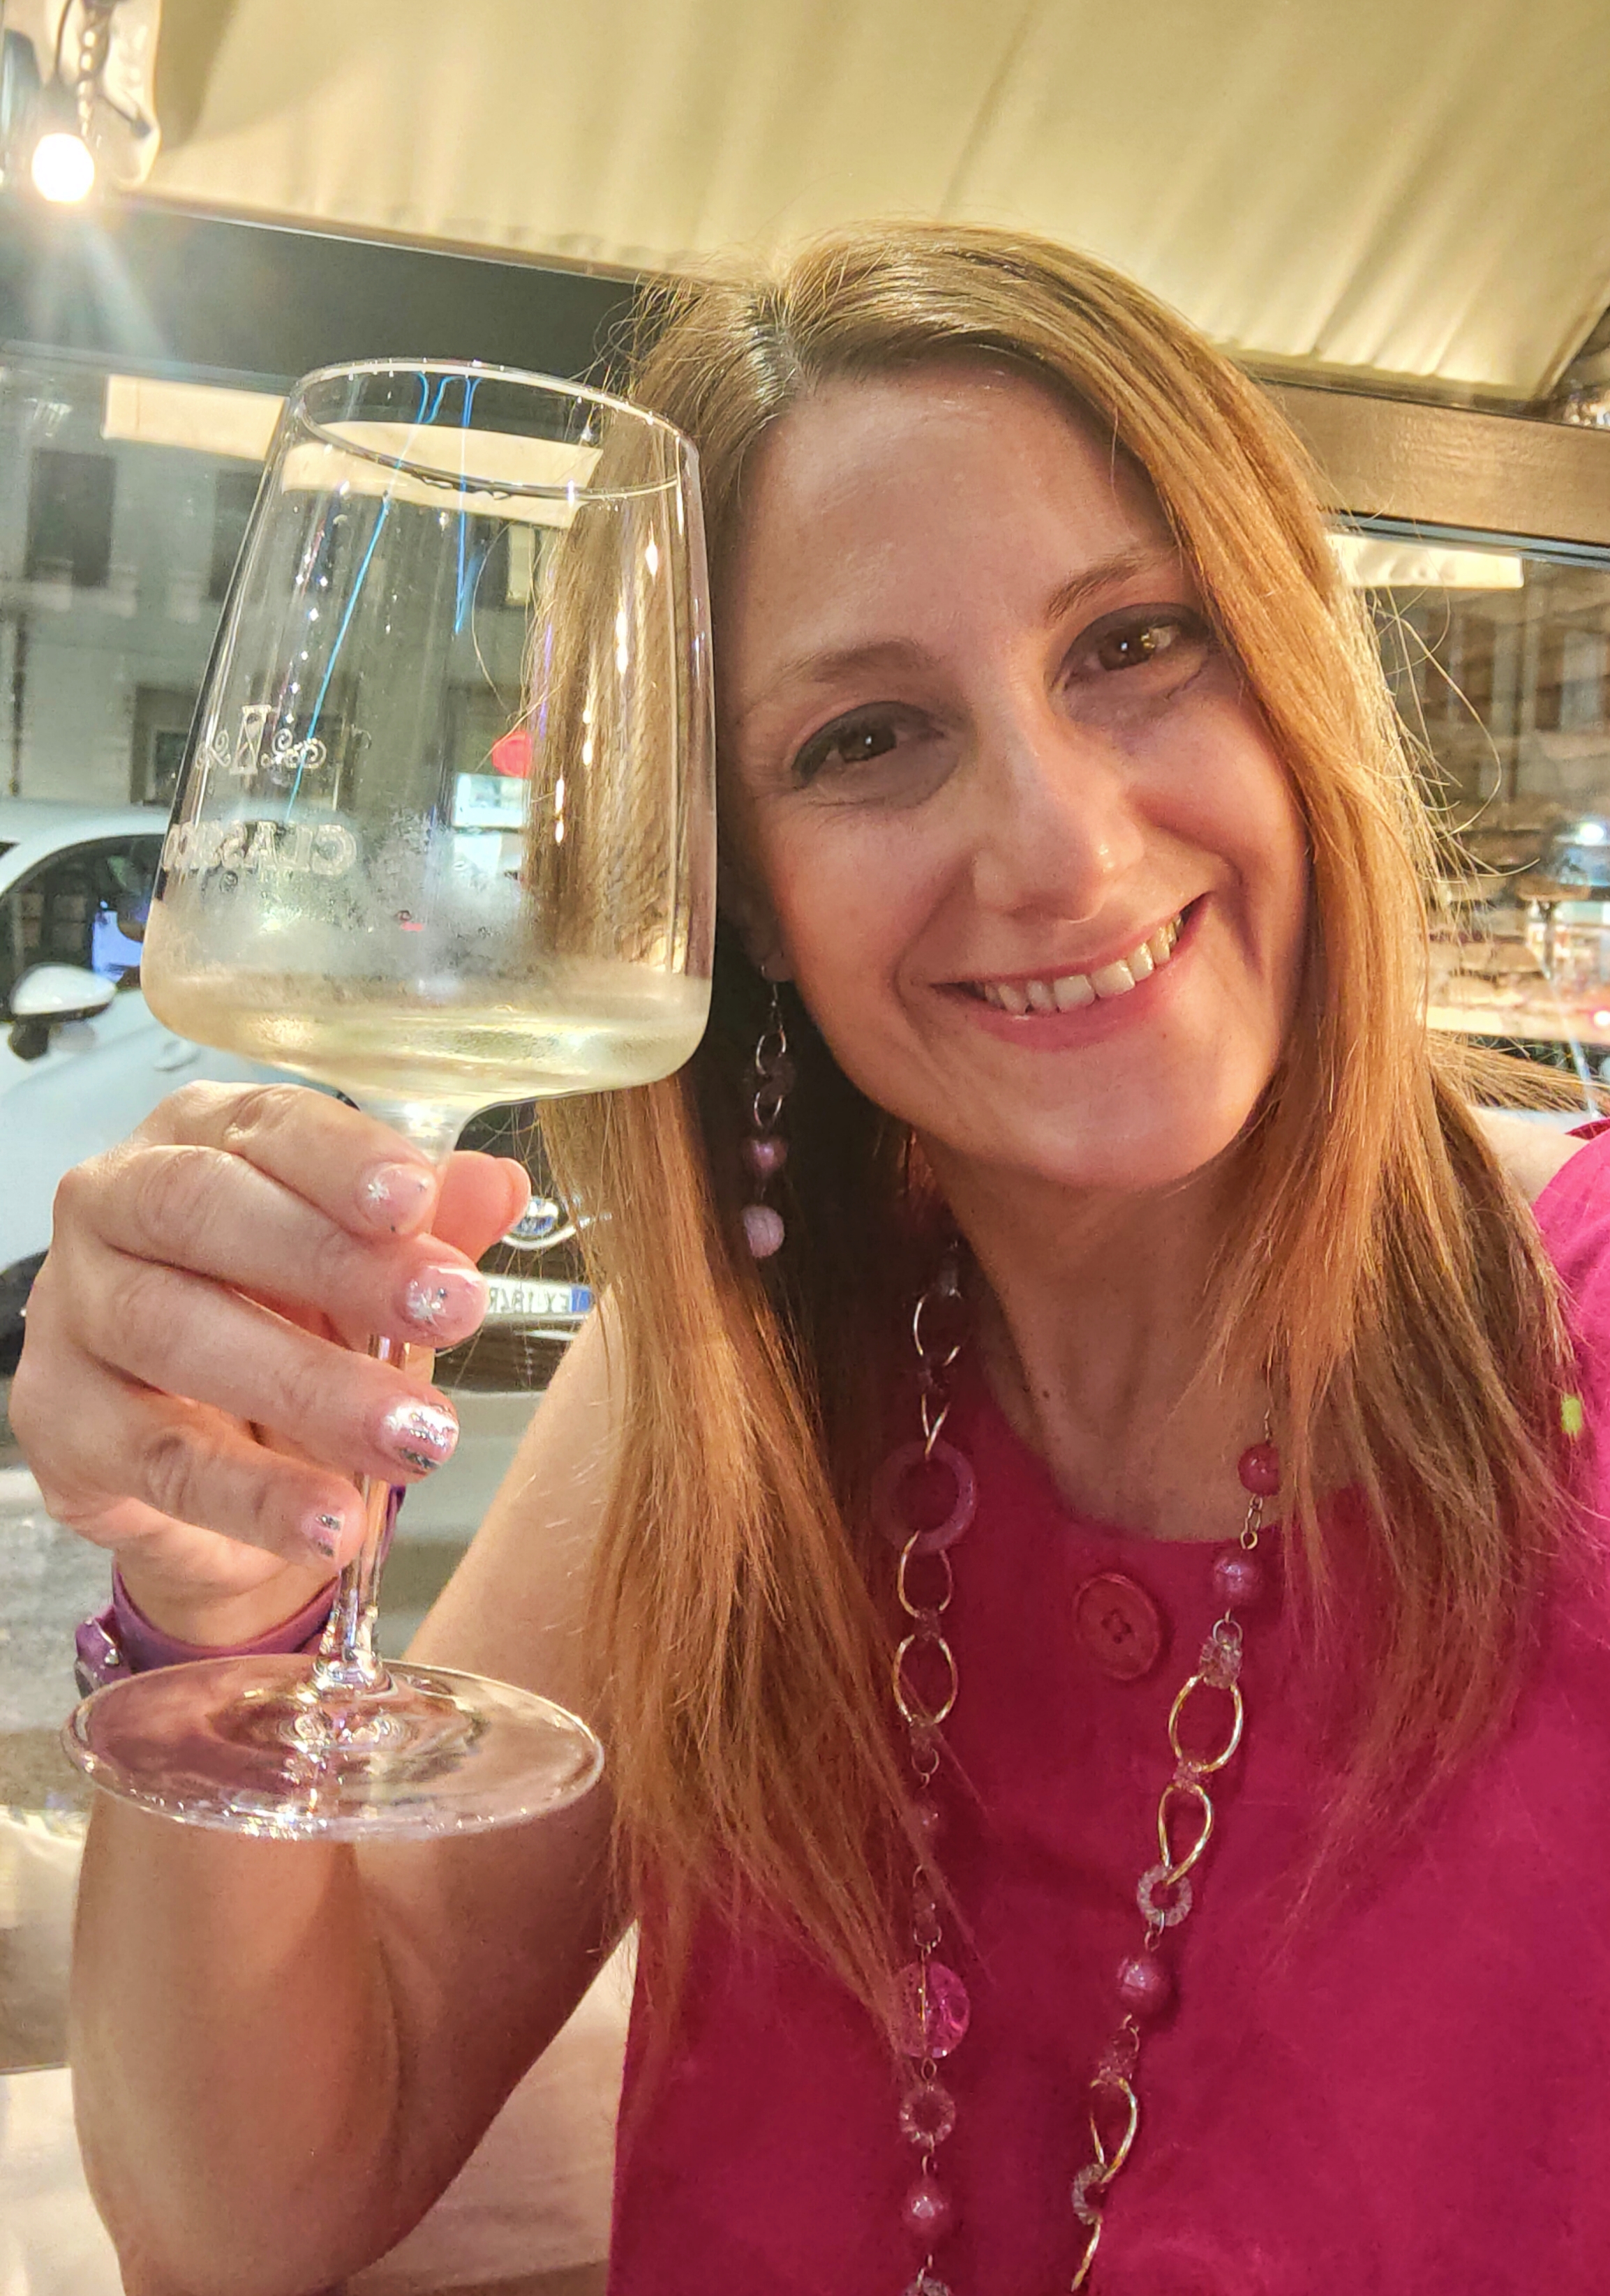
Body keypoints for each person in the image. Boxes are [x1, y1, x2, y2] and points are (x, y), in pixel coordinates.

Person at [13, 222, 1610, 2296]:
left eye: (1136, 642)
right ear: (735, 891)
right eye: (865, 739)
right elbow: (240, 2215)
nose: (1062, 847)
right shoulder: (735, 1383)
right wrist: (222, 1604)